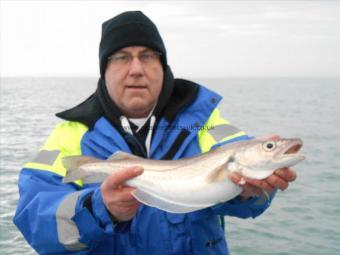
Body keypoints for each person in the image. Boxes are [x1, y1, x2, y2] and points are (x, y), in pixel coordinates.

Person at [13, 11, 297, 254]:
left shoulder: (207, 123)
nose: (136, 69)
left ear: (162, 67)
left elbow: (248, 179)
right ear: (104, 70)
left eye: (147, 56)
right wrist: (100, 208)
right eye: (122, 57)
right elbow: (32, 219)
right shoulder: (69, 134)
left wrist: (253, 191)